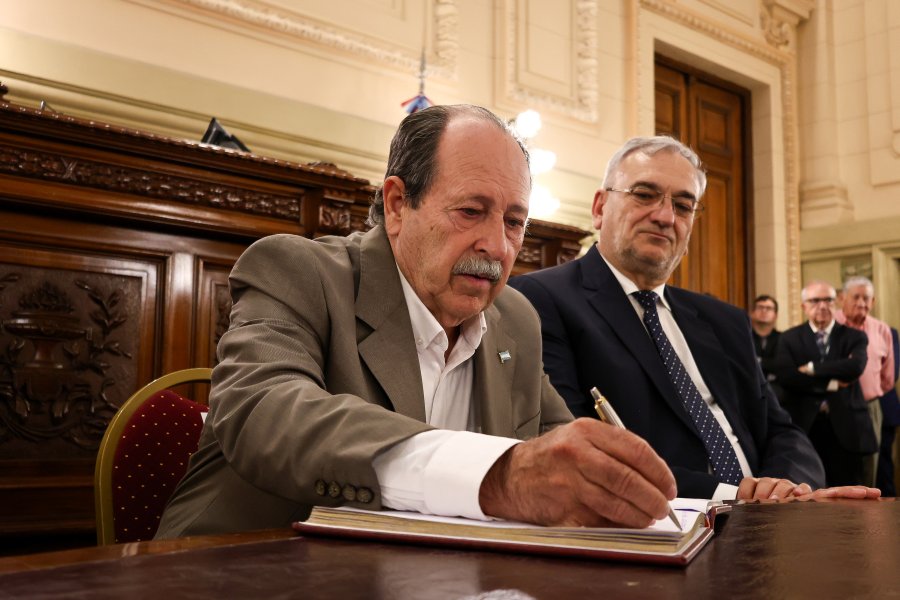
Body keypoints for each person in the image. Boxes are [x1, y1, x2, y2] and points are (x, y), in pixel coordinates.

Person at [155, 105, 679, 538]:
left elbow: (556, 443)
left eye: (514, 221)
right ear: (398, 204)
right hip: (245, 571)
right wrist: (497, 477)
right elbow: (263, 413)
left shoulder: (514, 317)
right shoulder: (300, 271)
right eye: (471, 211)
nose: (498, 247)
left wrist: (608, 482)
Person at [510, 135, 843, 502]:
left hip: (774, 521)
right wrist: (735, 495)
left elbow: (782, 431)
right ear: (600, 206)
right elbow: (573, 443)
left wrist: (785, 489)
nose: (665, 216)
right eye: (644, 194)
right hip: (661, 526)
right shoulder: (541, 300)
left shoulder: (725, 320)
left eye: (683, 206)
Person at [775, 281, 876, 486]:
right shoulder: (789, 338)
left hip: (847, 429)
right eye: (814, 301)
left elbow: (855, 367)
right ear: (804, 306)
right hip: (805, 427)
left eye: (828, 300)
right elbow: (787, 377)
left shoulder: (854, 336)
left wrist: (812, 369)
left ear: (836, 302)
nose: (822, 306)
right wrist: (831, 384)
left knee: (851, 499)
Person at [835, 276, 895, 487]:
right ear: (842, 298)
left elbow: (888, 377)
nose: (861, 303)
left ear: (873, 302)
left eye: (866, 298)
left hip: (870, 408)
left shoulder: (882, 329)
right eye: (856, 297)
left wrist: (869, 393)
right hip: (835, 407)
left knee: (868, 471)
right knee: (835, 470)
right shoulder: (829, 325)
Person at [876, 326, 900, 495]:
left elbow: (891, 374)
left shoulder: (888, 332)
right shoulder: (837, 331)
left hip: (884, 409)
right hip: (844, 414)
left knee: (883, 471)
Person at [750, 294, 785, 403]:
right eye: (760, 307)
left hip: (777, 390)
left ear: (775, 315)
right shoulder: (742, 337)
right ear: (752, 313)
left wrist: (758, 361)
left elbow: (783, 365)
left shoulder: (784, 338)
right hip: (749, 385)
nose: (764, 311)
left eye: (768, 308)